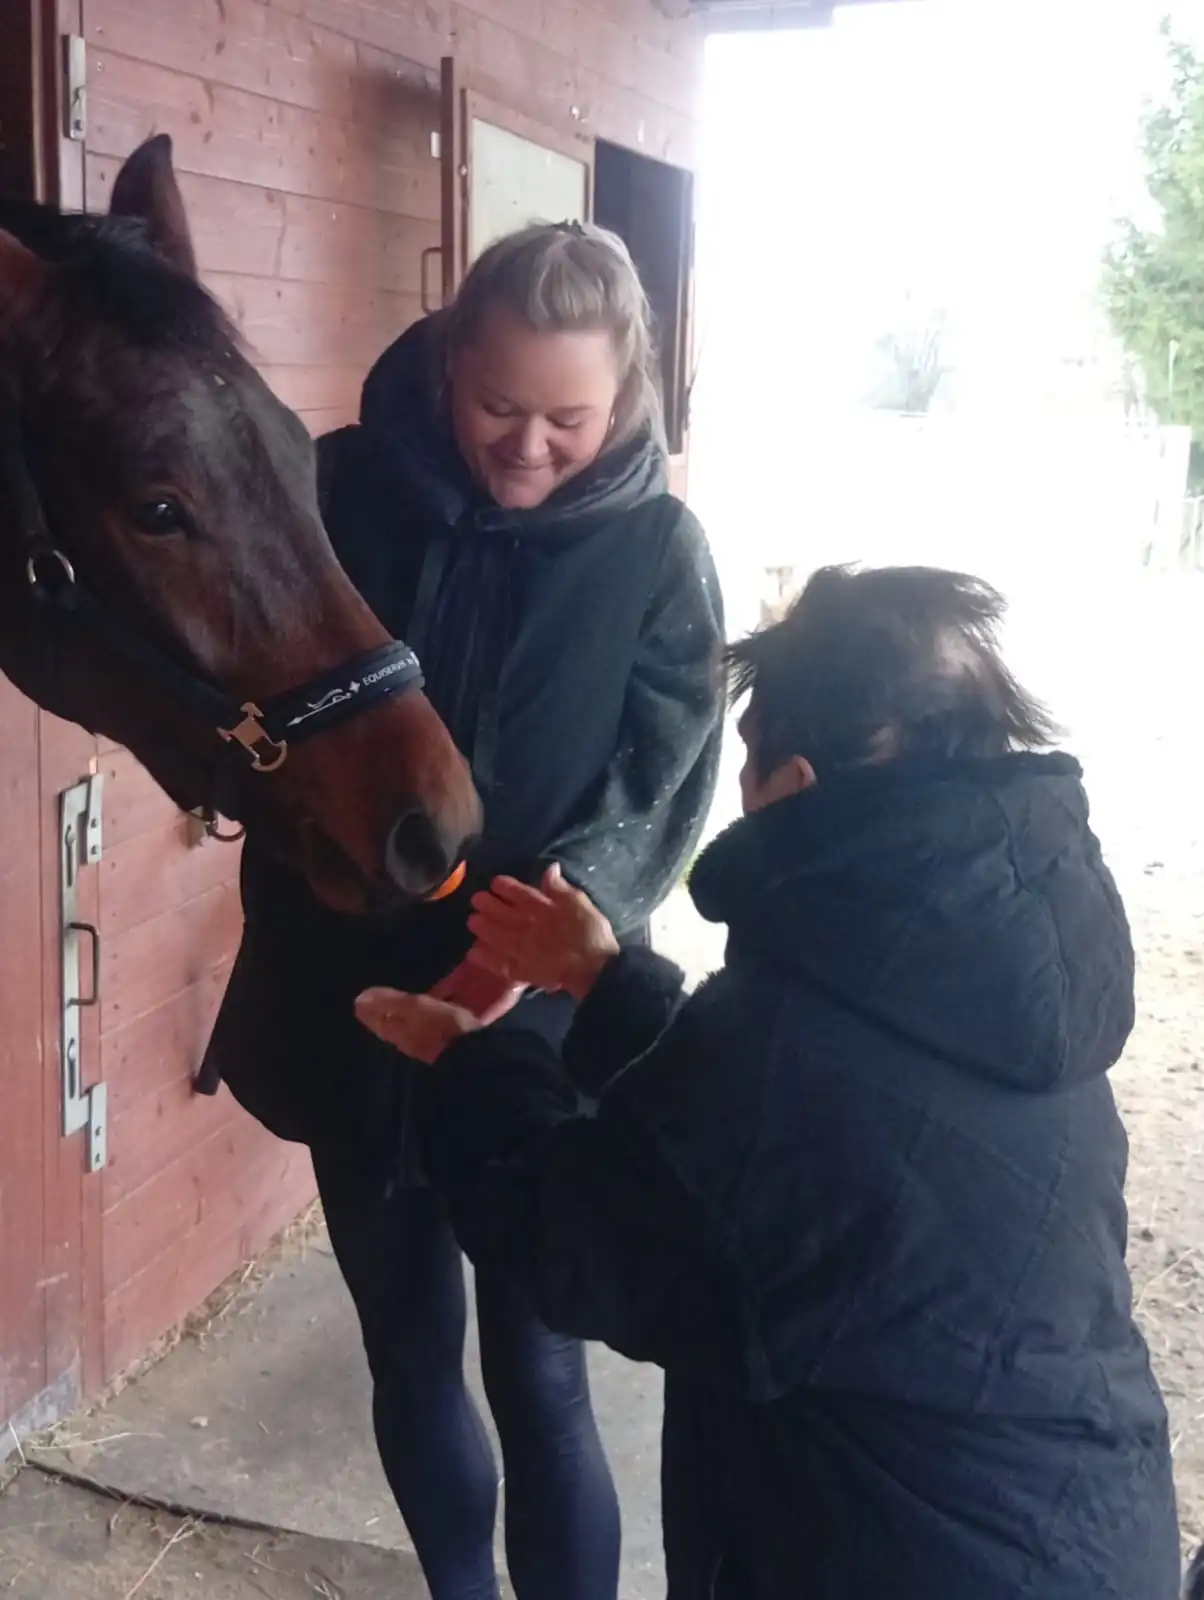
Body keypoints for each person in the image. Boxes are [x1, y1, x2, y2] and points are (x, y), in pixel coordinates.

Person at [358, 564, 1183, 1600]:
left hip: (886, 1556)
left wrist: (471, 1062)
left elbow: (576, 1239)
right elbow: (792, 1148)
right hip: (1090, 1522)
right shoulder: (1002, 968)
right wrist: (605, 979)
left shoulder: (783, 1046)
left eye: (747, 760)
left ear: (791, 784)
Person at [201, 223, 724, 1600]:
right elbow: (233, 675)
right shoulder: (332, 488)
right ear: (446, 363)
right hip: (351, 982)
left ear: (624, 399)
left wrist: (547, 935)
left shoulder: (658, 548)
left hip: (530, 1005)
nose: (529, 446)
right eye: (498, 405)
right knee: (410, 1348)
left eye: (568, 418)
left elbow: (665, 776)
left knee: (542, 1369)